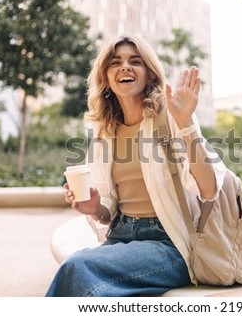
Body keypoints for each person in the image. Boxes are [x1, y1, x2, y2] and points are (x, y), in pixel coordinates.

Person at [45, 34, 226, 296]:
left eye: (135, 61)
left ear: (150, 75)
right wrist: (95, 208)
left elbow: (208, 190)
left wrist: (187, 123)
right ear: (106, 77)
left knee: (77, 266)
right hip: (120, 235)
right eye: (115, 62)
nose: (125, 67)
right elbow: (107, 211)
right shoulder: (105, 131)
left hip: (169, 243)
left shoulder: (173, 115)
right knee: (95, 292)